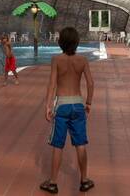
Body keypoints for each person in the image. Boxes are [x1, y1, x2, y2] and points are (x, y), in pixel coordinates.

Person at [40, 27, 94, 194]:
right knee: (80, 144)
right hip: (78, 104)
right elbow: (91, 84)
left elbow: (52, 84)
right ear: (77, 42)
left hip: (62, 105)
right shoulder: (83, 60)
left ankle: (53, 182)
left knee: (58, 145)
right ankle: (84, 180)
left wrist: (48, 105)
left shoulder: (56, 59)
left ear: (60, 42)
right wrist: (88, 103)